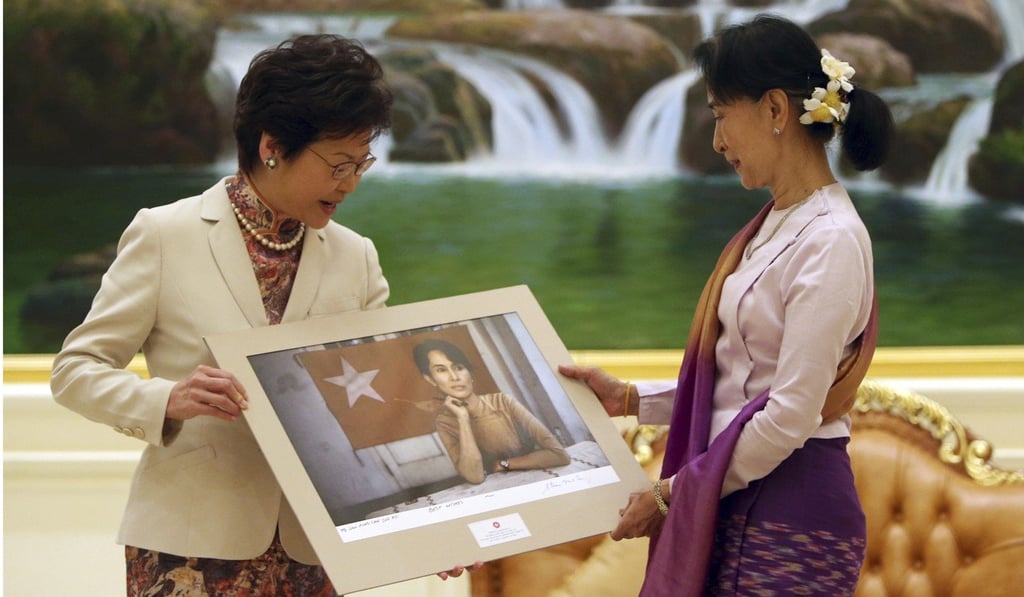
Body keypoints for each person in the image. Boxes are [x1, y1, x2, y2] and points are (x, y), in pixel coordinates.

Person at [50, 34, 479, 595]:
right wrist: (166, 399)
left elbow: (389, 412)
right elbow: (75, 369)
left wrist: (433, 524)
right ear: (272, 144)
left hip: (317, 551)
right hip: (189, 548)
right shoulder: (165, 233)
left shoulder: (357, 256)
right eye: (339, 163)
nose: (350, 182)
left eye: (363, 162)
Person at [559, 14, 892, 596]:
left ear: (773, 110)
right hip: (742, 498)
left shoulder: (832, 237)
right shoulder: (774, 224)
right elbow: (741, 382)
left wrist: (673, 494)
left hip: (792, 516)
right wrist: (633, 400)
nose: (716, 142)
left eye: (719, 115)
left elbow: (789, 412)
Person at [413, 338, 571, 484]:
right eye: (441, 370)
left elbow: (559, 455)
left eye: (459, 367)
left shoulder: (503, 401)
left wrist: (503, 464)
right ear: (430, 379)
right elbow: (474, 477)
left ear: (469, 372)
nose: (454, 377)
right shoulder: (444, 423)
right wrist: (463, 419)